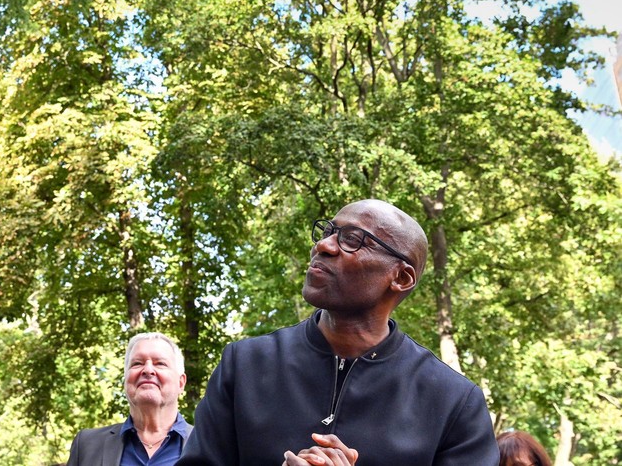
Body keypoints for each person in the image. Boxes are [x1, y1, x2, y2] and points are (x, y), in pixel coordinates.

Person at [177, 199, 500, 466]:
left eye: (352, 239)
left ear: (401, 277)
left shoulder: (453, 401)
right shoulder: (244, 366)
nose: (324, 245)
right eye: (328, 231)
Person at [67, 332, 192, 465]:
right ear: (125, 380)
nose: (148, 370)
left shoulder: (211, 445)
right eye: (137, 363)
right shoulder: (87, 445)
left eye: (160, 363)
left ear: (181, 383)